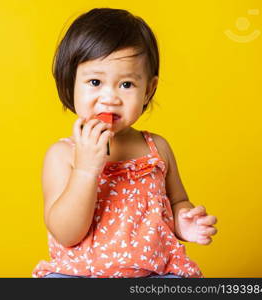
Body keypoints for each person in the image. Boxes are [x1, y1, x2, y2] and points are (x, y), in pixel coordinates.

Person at [32, 8, 217, 278]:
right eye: (95, 82)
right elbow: (66, 233)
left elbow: (178, 201)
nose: (110, 98)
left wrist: (185, 221)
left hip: (154, 273)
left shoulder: (157, 148)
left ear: (149, 90)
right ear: (71, 83)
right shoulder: (63, 155)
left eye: (127, 84)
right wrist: (85, 170)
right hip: (80, 275)